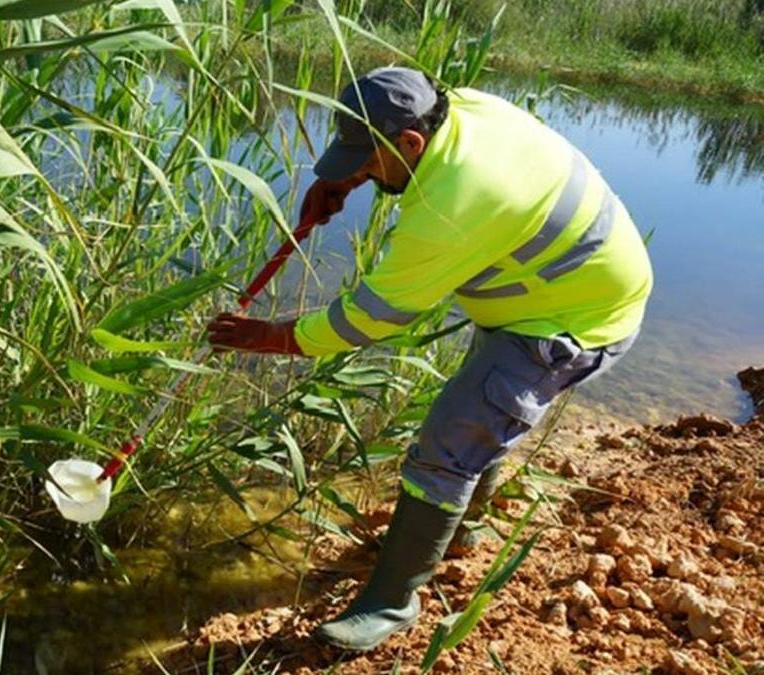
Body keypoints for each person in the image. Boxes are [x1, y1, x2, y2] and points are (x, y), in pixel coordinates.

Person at [205, 66, 652, 651]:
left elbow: (369, 317)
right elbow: (401, 171)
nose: (359, 167)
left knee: (447, 445)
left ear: (411, 142)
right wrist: (351, 179)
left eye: (367, 157)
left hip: (572, 322)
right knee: (482, 419)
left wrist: (268, 338)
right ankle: (461, 531)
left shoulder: (454, 203)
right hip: (556, 287)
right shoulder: (463, 109)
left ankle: (392, 601)